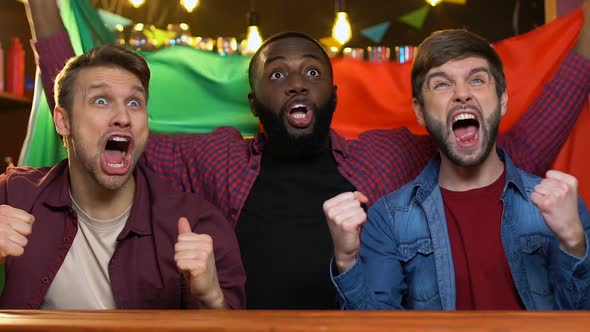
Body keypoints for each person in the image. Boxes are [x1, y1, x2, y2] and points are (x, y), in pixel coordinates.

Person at [24, 0, 590, 309]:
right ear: (253, 101)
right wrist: (41, 13)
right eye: (278, 74)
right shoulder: (218, 158)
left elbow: (511, 145)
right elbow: (104, 130)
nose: (296, 83)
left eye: (312, 72)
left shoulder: (391, 153)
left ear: (333, 95)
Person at [324, 29, 590, 310]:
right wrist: (346, 260)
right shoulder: (389, 219)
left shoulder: (561, 206)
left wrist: (574, 243)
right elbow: (374, 328)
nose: (462, 94)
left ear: (502, 101)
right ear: (420, 111)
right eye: (442, 84)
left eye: (476, 80)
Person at [0, 44, 246, 309]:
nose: (123, 117)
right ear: (63, 121)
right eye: (101, 100)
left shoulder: (197, 225)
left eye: (134, 103)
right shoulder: (13, 196)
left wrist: (212, 298)